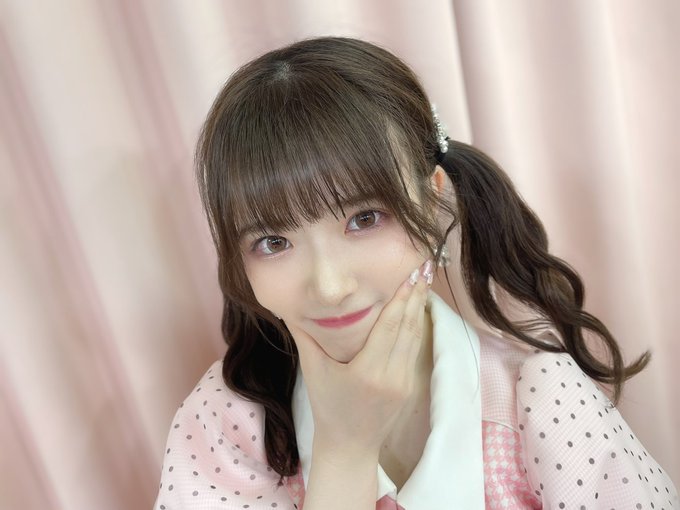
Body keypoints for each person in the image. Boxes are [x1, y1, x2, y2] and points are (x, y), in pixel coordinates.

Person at [154, 36, 677, 510]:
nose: (330, 287)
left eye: (365, 219)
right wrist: (344, 451)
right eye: (273, 242)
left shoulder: (537, 400)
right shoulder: (225, 425)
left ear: (434, 200)